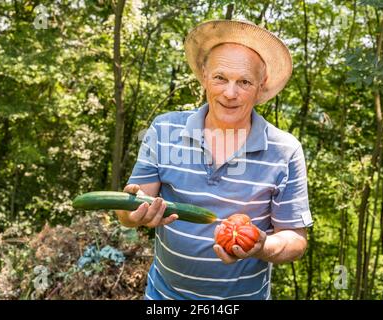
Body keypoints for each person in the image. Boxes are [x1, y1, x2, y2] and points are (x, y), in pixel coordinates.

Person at [116, 20, 313, 300]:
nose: (230, 93)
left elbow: (295, 240)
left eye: (244, 82)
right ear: (205, 76)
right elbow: (126, 212)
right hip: (164, 296)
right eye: (221, 77)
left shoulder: (285, 150)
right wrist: (132, 214)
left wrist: (261, 246)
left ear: (260, 87)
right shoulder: (163, 130)